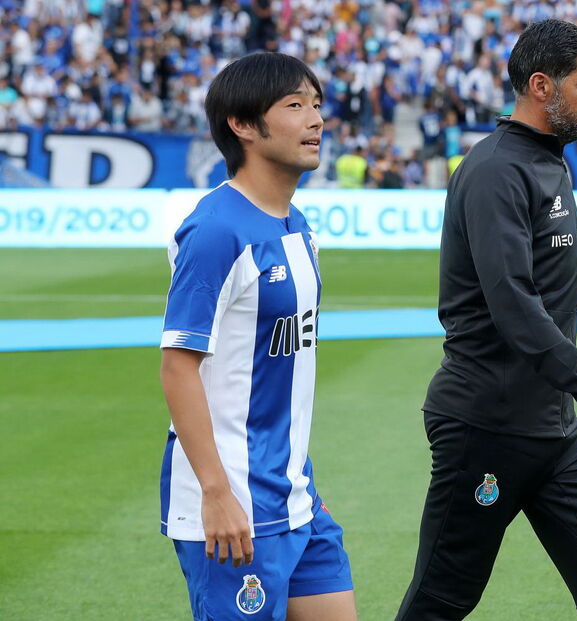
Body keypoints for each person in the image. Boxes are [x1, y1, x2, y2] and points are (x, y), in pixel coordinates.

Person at [396, 20, 577, 621]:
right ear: (542, 86)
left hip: (551, 429)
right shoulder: (494, 171)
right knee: (442, 597)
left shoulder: (552, 162)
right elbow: (514, 306)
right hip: (485, 423)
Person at [159, 52, 355, 621]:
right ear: (243, 126)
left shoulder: (296, 223)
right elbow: (178, 368)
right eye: (295, 106)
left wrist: (299, 483)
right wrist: (218, 494)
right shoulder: (216, 230)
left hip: (295, 497)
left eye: (316, 104)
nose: (315, 119)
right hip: (232, 506)